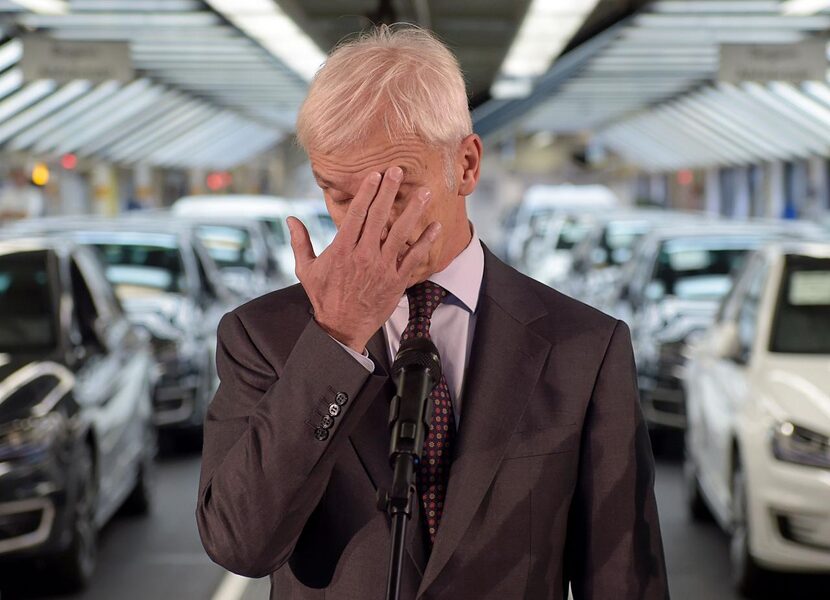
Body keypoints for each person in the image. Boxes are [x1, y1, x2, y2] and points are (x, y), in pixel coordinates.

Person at [196, 25, 669, 600]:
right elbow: (240, 544)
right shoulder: (263, 337)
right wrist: (336, 338)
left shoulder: (585, 349)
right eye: (339, 196)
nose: (365, 224)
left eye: (393, 192)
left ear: (466, 165)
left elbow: (624, 582)